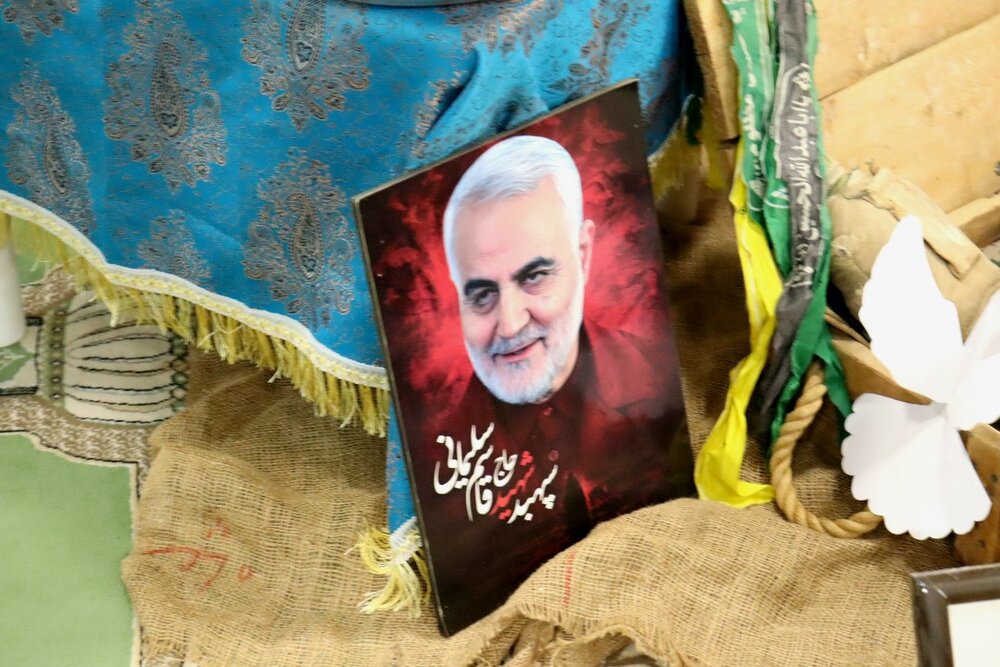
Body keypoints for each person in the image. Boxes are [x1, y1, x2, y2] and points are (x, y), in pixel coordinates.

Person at [424, 135, 692, 630]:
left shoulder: (662, 385)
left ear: (583, 257)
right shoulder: (432, 462)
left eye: (535, 276)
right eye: (481, 295)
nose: (510, 323)